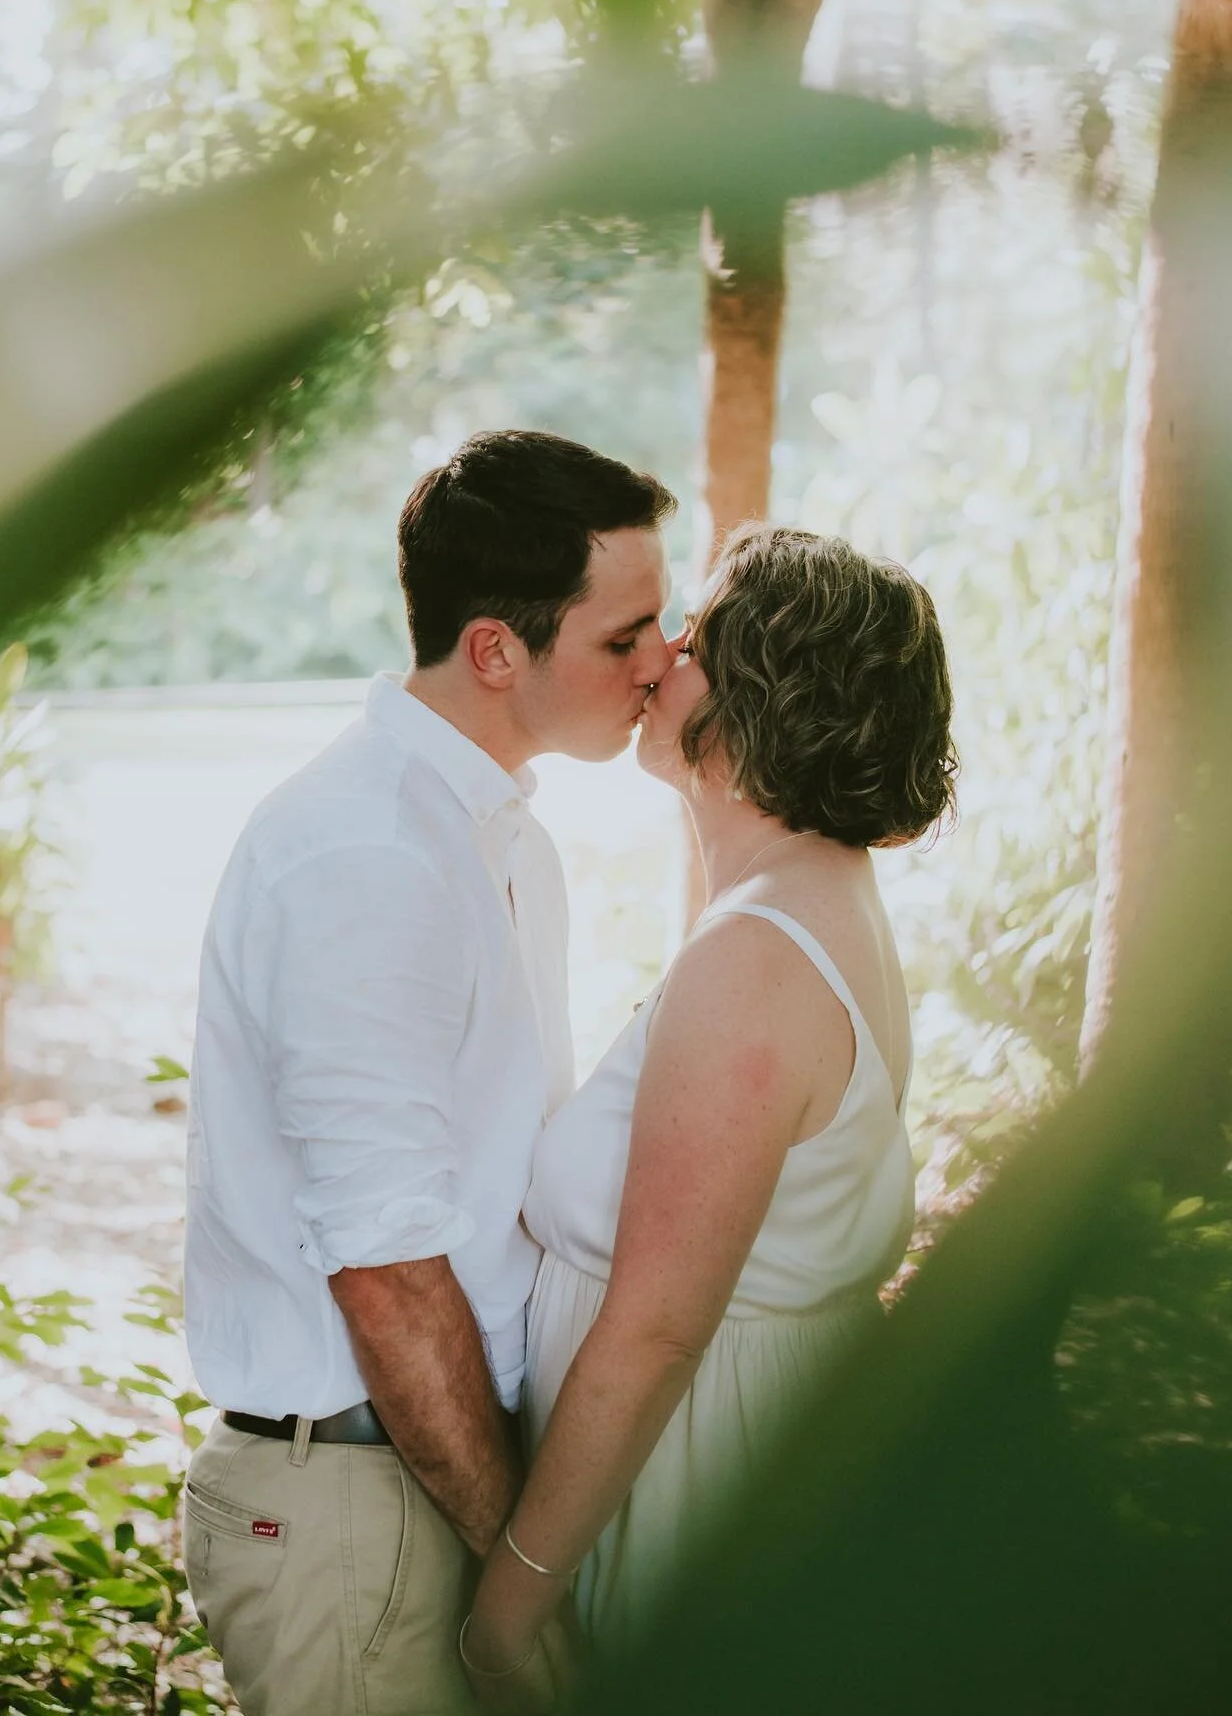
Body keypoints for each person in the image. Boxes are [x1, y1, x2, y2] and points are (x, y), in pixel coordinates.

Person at [181, 430, 675, 1716]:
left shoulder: (489, 832)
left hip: (430, 1482)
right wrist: (521, 1561)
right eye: (623, 638)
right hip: (361, 1512)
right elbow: (390, 1273)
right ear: (496, 651)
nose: (662, 663)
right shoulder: (370, 857)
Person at [461, 524, 958, 1703]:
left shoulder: (757, 958)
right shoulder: (818, 900)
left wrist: (509, 1602)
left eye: (696, 634)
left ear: (761, 695)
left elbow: (655, 1333)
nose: (661, 654)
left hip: (696, 1487)